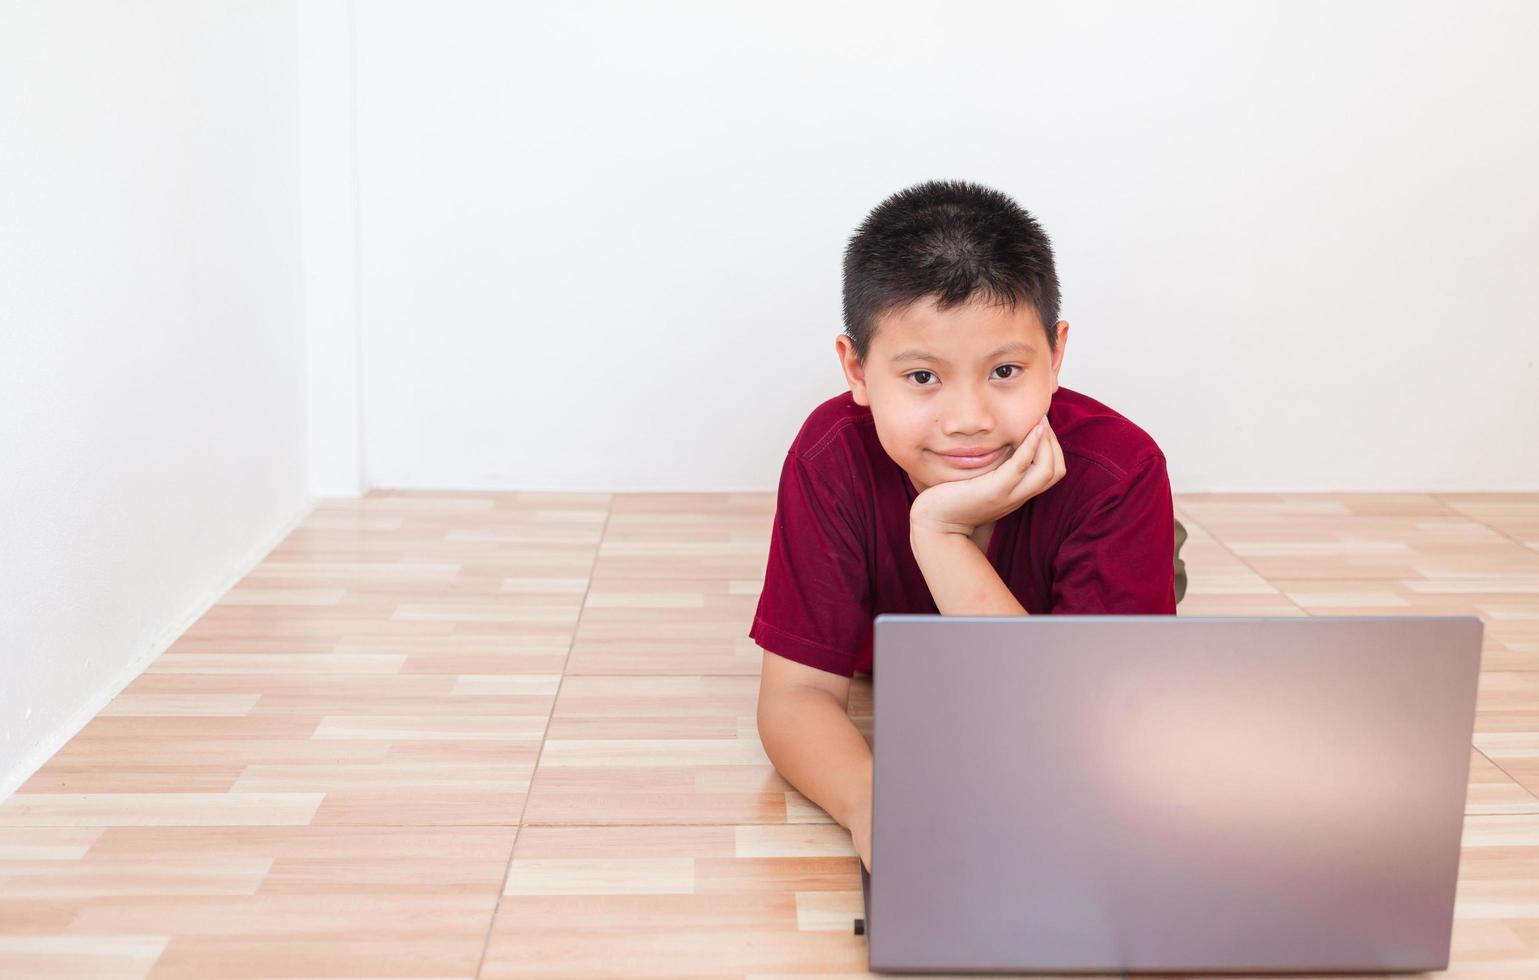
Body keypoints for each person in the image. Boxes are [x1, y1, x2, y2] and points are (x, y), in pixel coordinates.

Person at [750, 179, 1187, 875]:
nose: (968, 420)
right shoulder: (830, 455)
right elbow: (795, 697)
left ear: (1056, 354)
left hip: (1056, 658)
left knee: (1129, 679)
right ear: (856, 370)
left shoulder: (1120, 466)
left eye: (1006, 370)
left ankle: (1155, 559)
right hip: (933, 650)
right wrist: (873, 806)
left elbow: (1072, 734)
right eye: (922, 377)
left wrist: (939, 534)